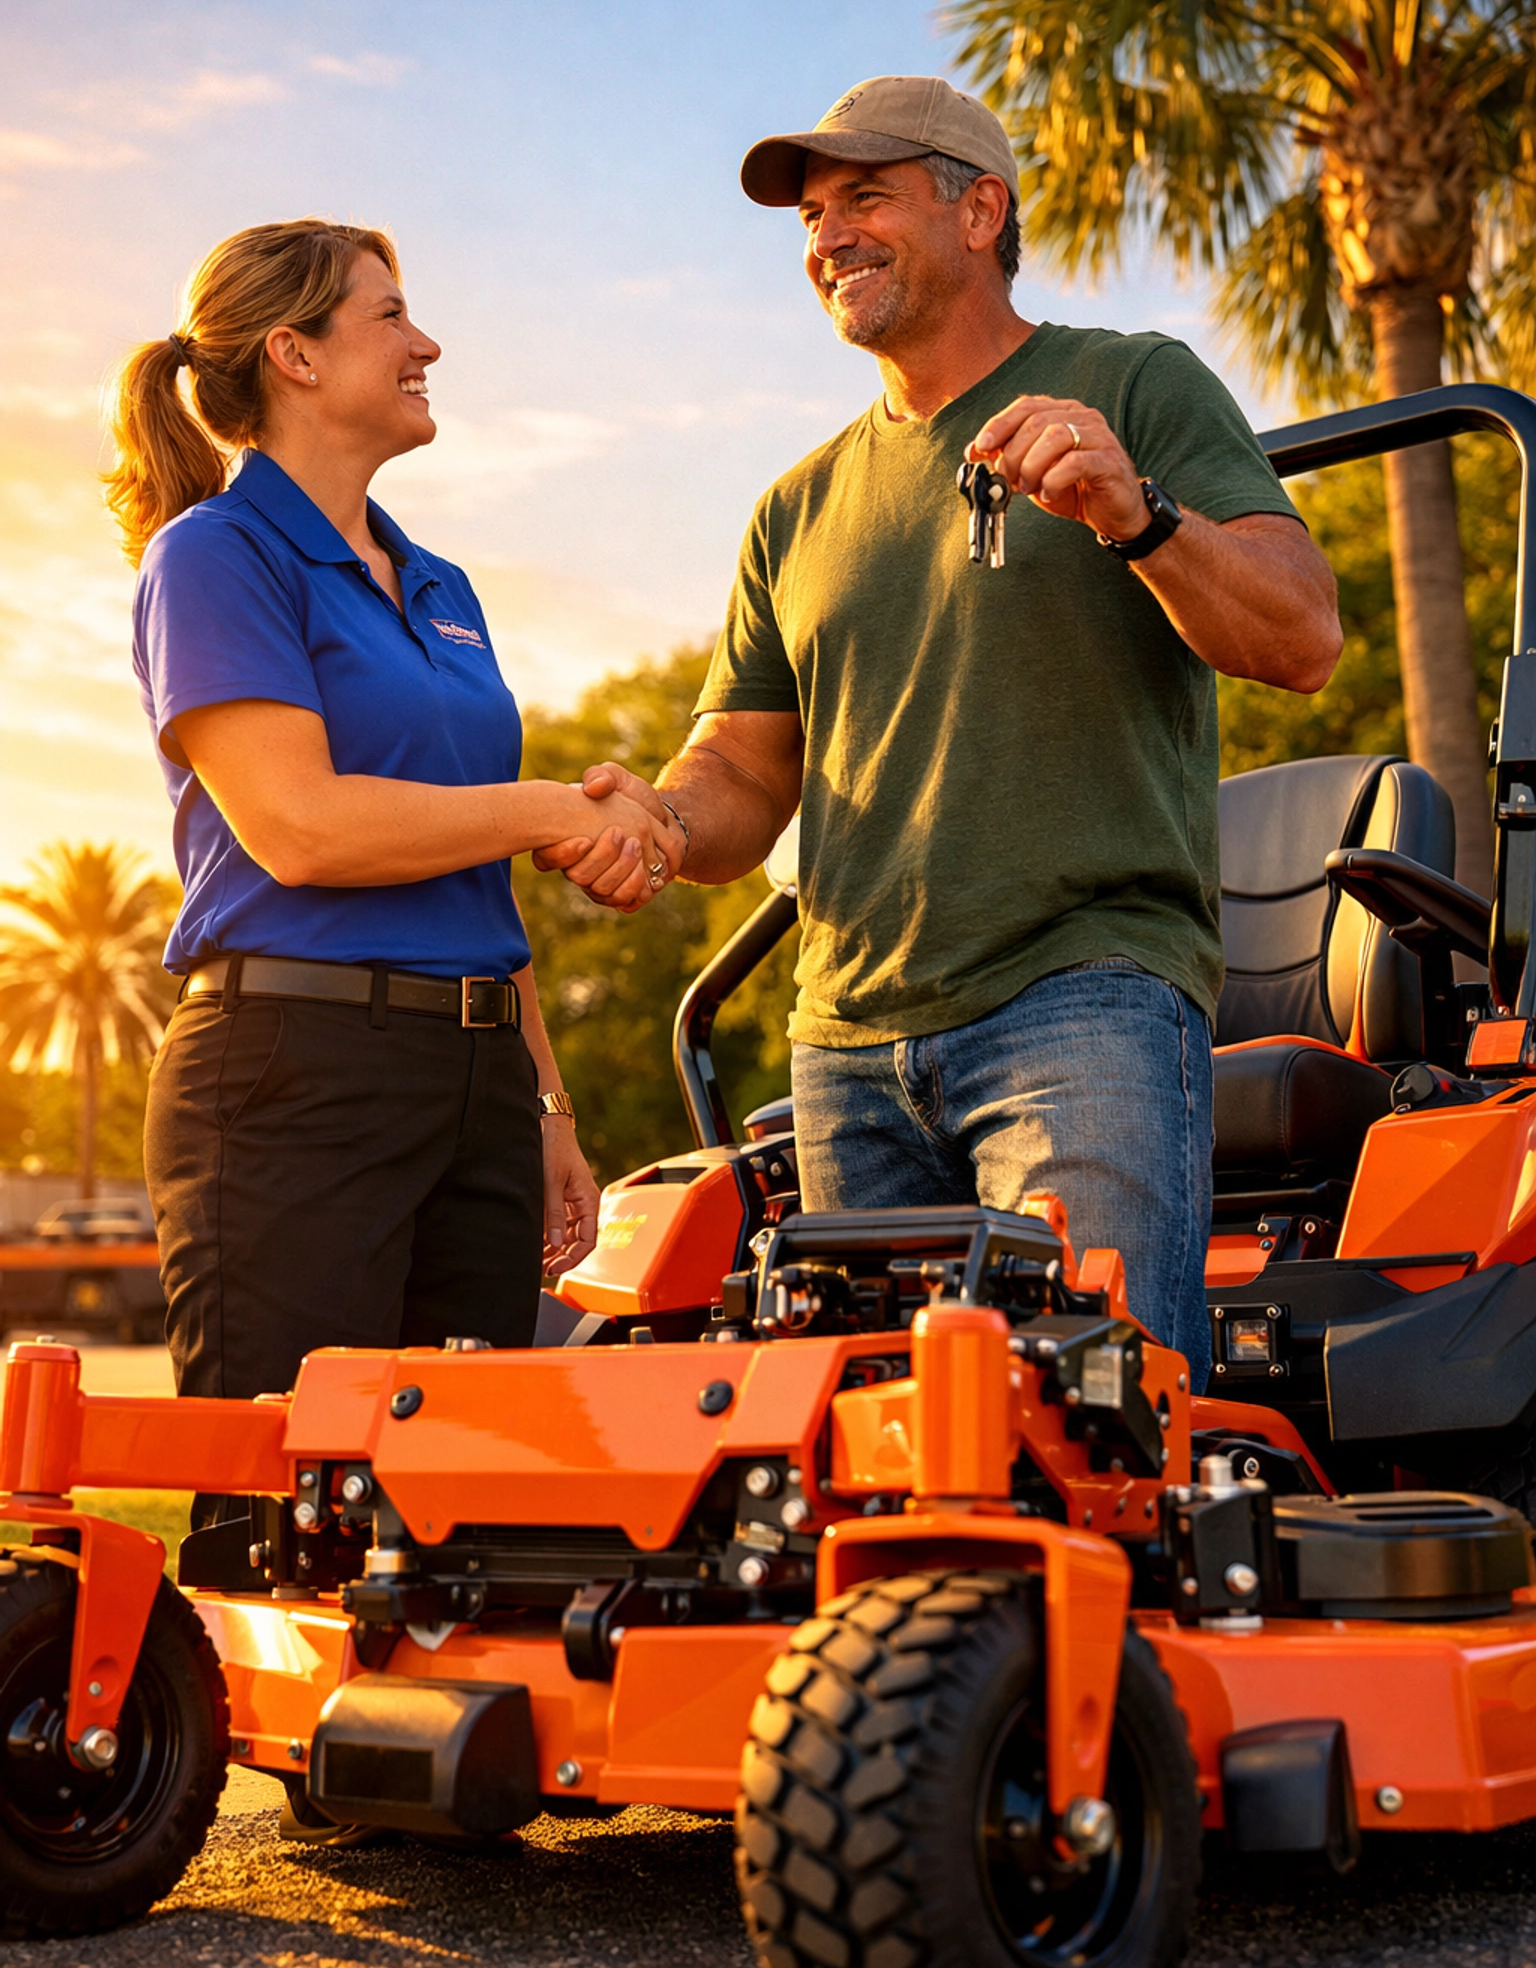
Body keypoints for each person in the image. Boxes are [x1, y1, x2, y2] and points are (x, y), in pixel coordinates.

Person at [536, 76, 1343, 1383]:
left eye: (867, 196)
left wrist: (1139, 515)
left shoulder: (1133, 383)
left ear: (980, 210)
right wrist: (664, 824)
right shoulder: (792, 510)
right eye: (812, 213)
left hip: (1080, 1005)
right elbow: (746, 769)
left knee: (1097, 1422)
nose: (829, 236)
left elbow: (1303, 636)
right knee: (873, 1455)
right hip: (843, 1049)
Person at [106, 218, 675, 1403]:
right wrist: (548, 808)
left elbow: (475, 877)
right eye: (389, 316)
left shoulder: (440, 584)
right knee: (284, 1501)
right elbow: (301, 828)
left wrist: (546, 1105)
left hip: (476, 1084)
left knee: (453, 1513)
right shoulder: (213, 556)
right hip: (296, 1080)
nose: (427, 343)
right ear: (294, 355)